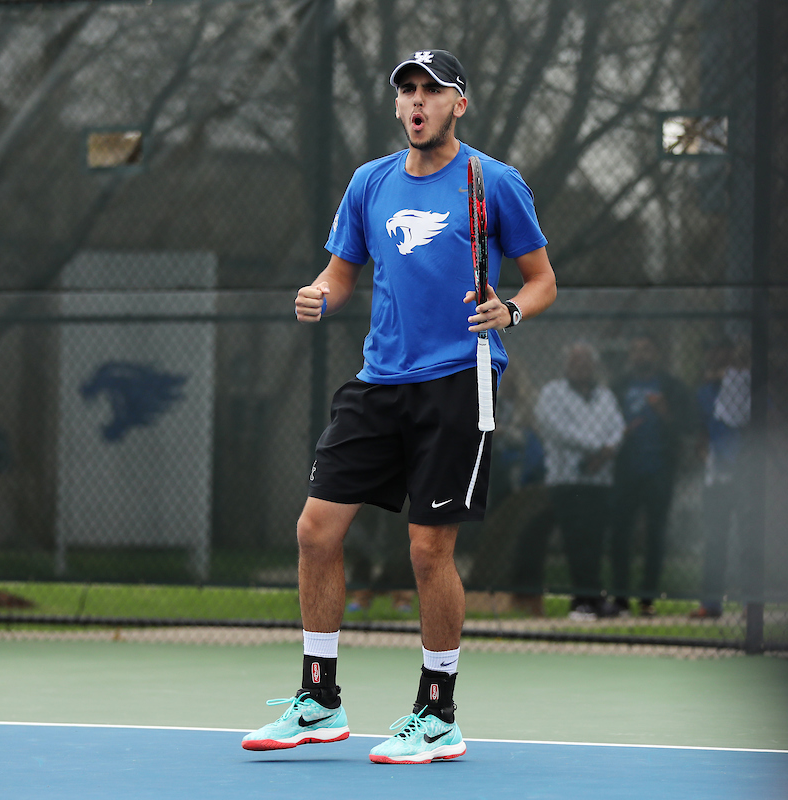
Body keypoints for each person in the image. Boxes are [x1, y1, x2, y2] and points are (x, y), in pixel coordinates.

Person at [241, 49, 556, 764]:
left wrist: (509, 310)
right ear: (397, 106)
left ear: (458, 105)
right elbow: (342, 269)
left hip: (456, 381)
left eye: (432, 91)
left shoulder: (492, 182)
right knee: (316, 530)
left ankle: (439, 711)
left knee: (426, 550)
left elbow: (542, 280)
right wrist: (321, 292)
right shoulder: (369, 183)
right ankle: (319, 700)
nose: (418, 101)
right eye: (408, 91)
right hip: (378, 381)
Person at [530, 342, 625, 620]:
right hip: (567, 479)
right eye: (576, 361)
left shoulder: (605, 395)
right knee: (575, 539)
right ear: (566, 365)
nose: (581, 366)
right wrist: (598, 447)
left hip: (599, 479)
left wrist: (609, 450)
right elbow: (556, 429)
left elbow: (617, 426)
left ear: (594, 365)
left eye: (586, 361)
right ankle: (580, 601)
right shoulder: (552, 393)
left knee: (595, 540)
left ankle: (594, 599)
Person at [607, 335, 693, 616]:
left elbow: (685, 425)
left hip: (659, 469)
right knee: (621, 533)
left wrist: (663, 411)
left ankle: (647, 599)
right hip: (626, 470)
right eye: (635, 350)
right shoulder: (619, 387)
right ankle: (620, 597)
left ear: (656, 353)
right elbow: (607, 423)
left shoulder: (671, 387)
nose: (639, 355)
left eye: (645, 349)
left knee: (655, 534)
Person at [689, 337, 749, 619]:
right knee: (715, 540)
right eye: (710, 352)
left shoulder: (748, 387)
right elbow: (700, 428)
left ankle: (753, 604)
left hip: (747, 473)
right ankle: (711, 604)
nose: (714, 357)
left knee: (750, 538)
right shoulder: (703, 391)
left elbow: (765, 421)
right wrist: (702, 449)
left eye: (720, 352)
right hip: (716, 474)